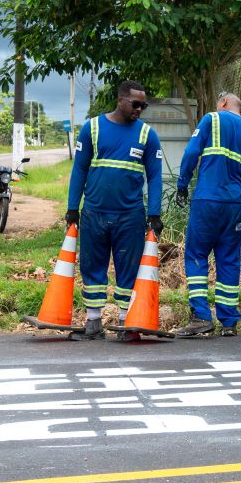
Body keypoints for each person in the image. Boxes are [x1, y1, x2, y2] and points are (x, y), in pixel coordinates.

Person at [65, 80, 164, 341]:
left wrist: (155, 214)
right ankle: (93, 321)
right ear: (120, 100)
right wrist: (72, 208)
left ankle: (125, 322)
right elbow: (79, 170)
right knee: (92, 266)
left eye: (144, 105)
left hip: (130, 216)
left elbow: (155, 177)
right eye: (136, 104)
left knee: (128, 269)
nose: (140, 109)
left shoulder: (147, 135)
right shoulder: (93, 128)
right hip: (94, 213)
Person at [175, 92, 241, 337]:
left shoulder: (211, 119)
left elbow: (192, 153)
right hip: (234, 205)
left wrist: (182, 184)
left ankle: (201, 316)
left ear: (223, 103)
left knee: (196, 255)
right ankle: (229, 321)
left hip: (206, 201)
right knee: (229, 260)